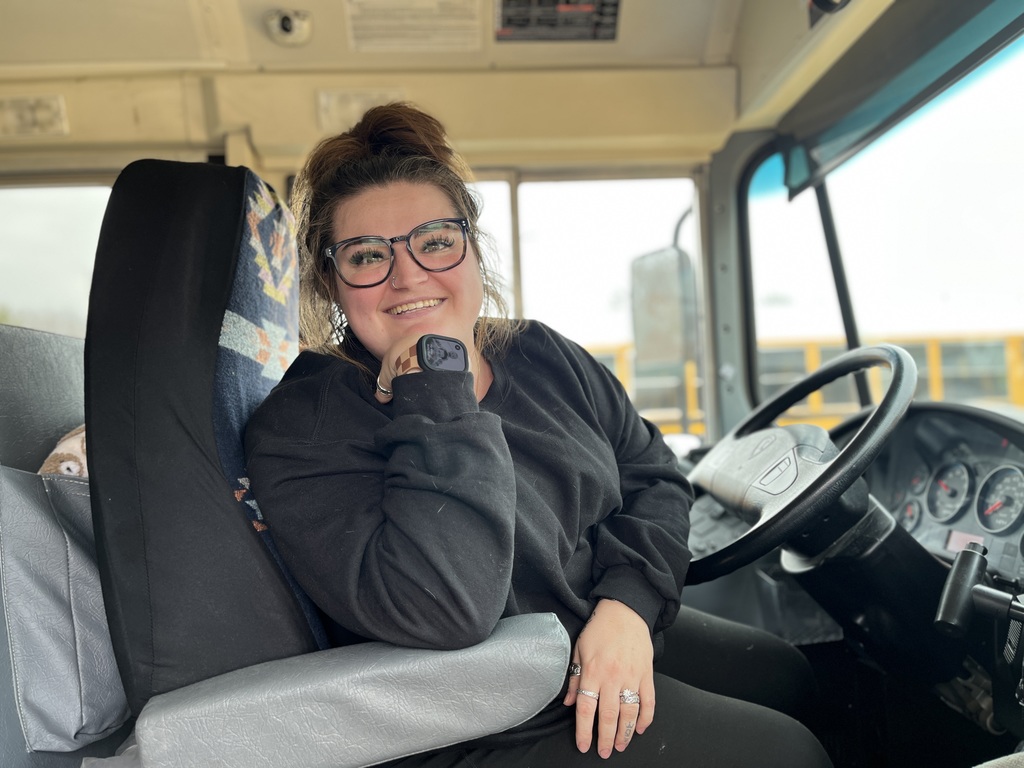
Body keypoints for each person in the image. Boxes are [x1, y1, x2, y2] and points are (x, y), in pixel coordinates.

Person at [244, 102, 832, 767]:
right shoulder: (303, 426)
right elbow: (444, 609)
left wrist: (627, 608)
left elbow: (655, 478)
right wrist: (434, 388)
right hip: (478, 714)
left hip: (591, 628)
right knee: (790, 754)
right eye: (367, 255)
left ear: (470, 248)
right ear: (332, 281)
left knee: (793, 677)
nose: (407, 275)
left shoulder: (541, 354)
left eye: (435, 241)